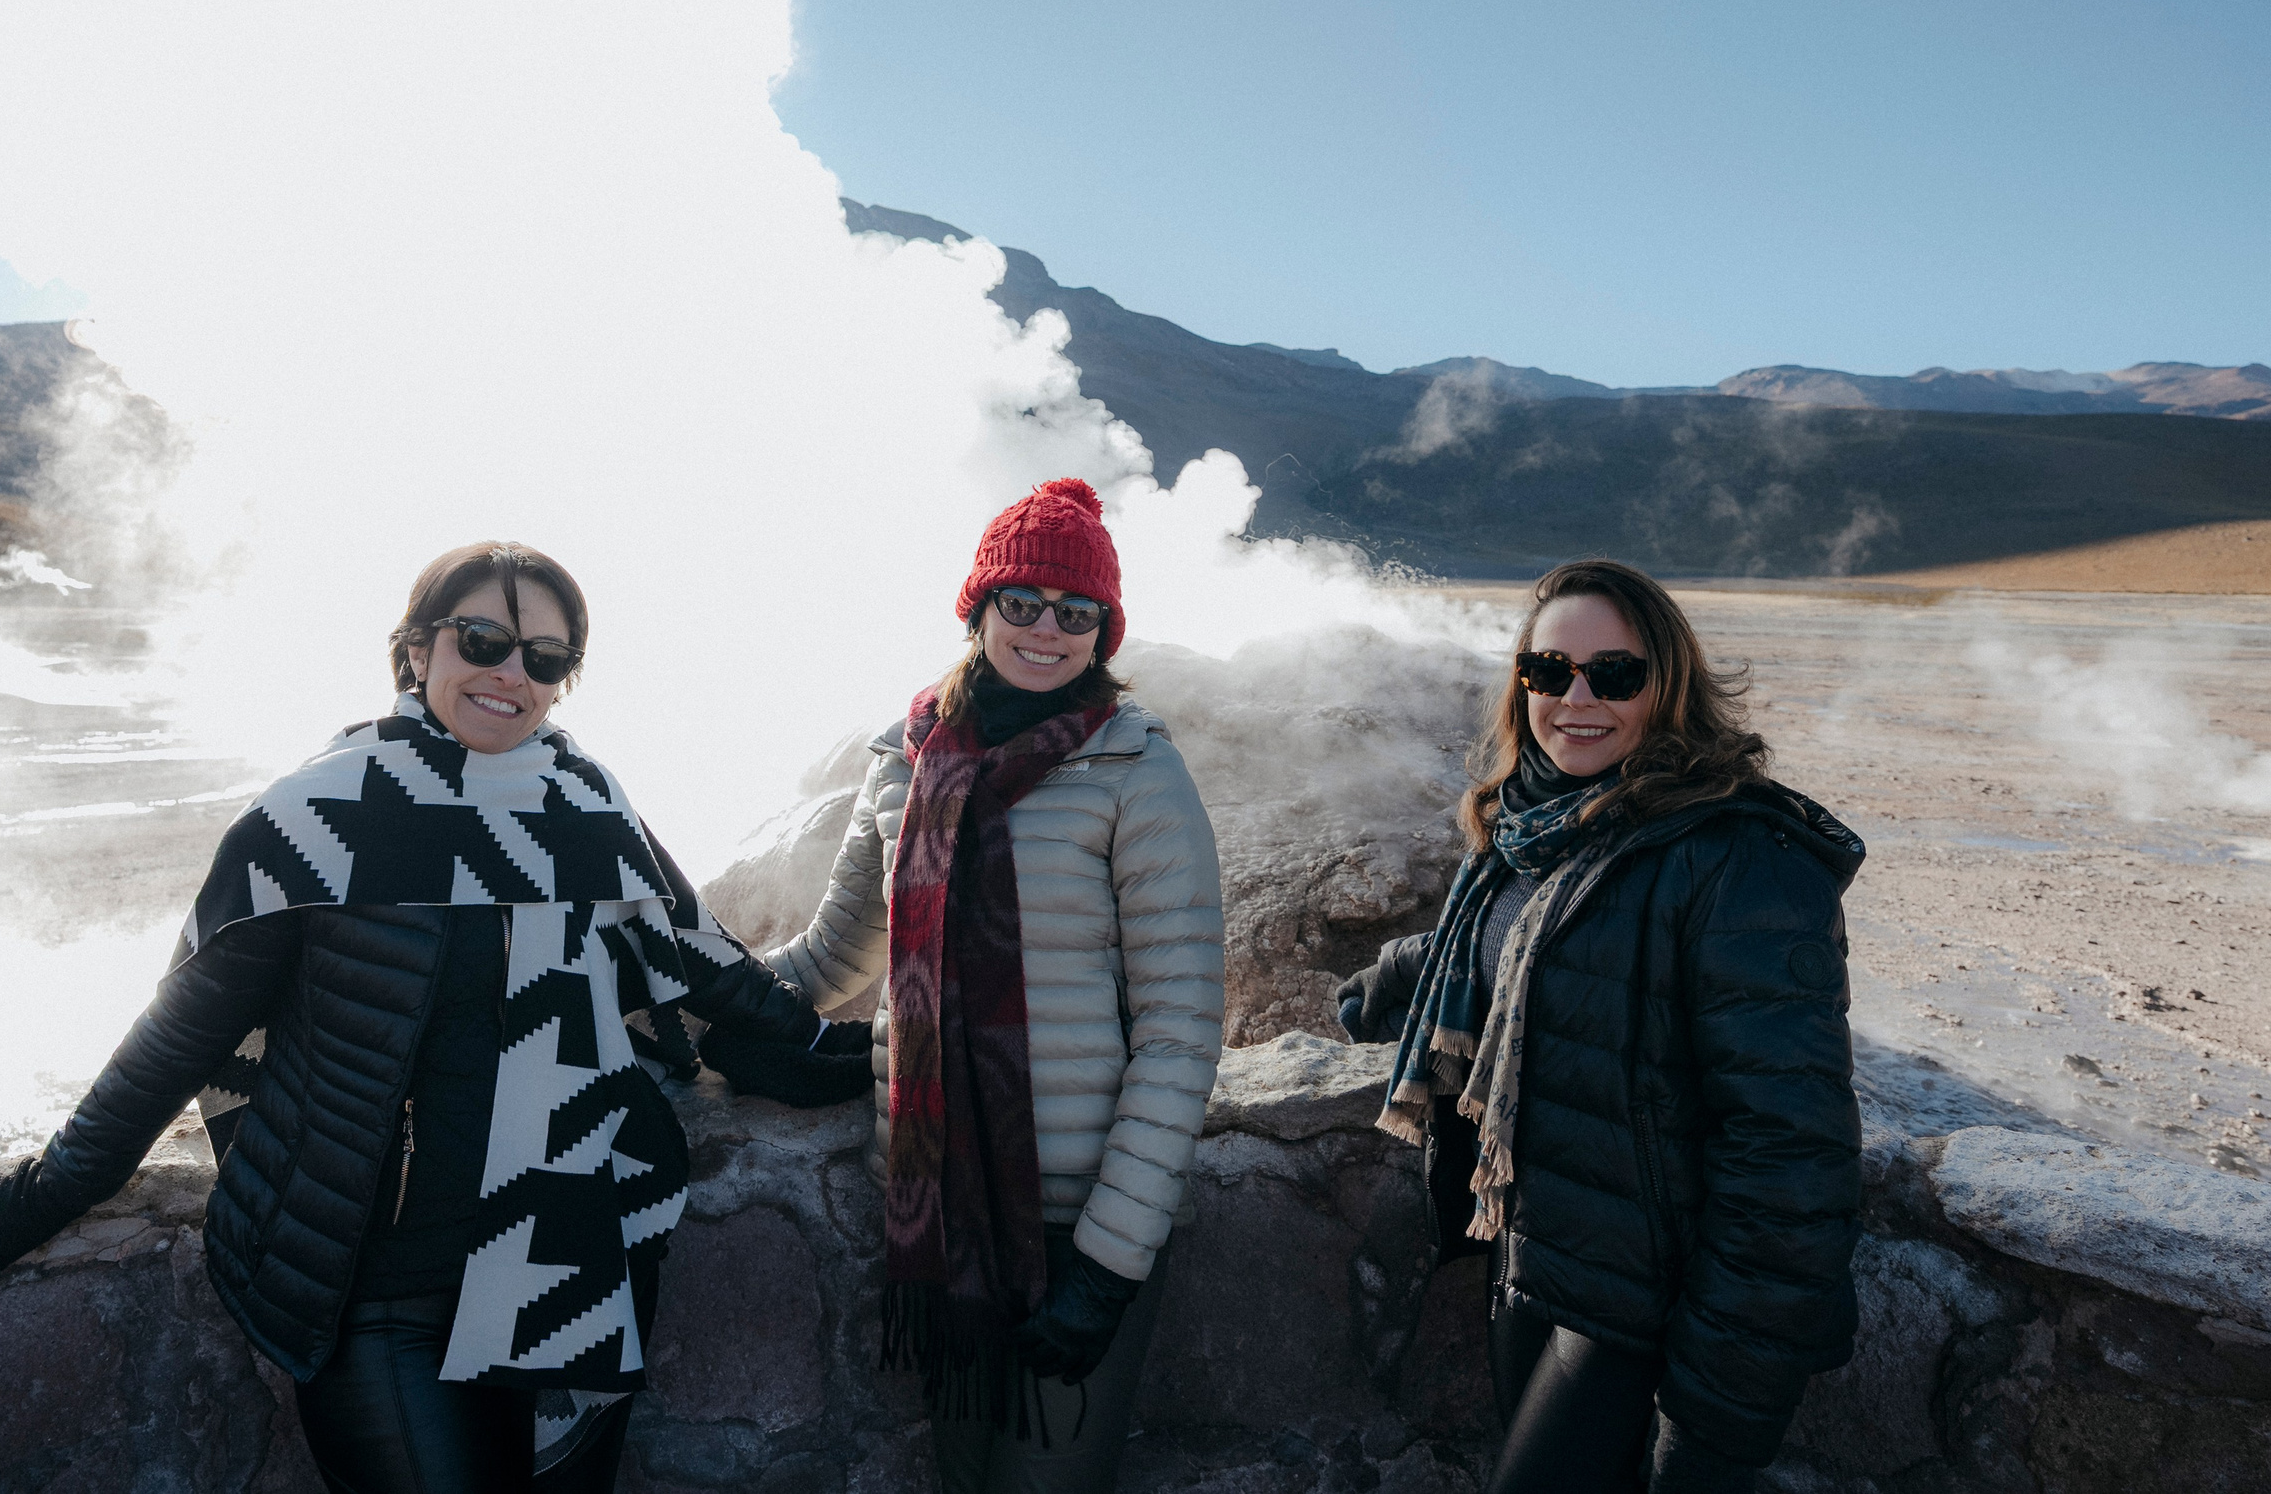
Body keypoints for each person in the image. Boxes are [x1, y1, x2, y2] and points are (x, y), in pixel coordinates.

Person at [0, 541, 868, 1494]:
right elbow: (181, 1034)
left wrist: (838, 1046)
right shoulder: (321, 816)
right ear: (418, 649)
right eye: (485, 638)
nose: (511, 673)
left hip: (567, 1262)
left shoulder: (583, 805)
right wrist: (48, 1189)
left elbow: (707, 962)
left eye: (545, 657)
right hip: (378, 1290)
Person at [1336, 558, 1862, 1494]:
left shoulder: (1737, 859)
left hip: (1645, 1316)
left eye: (1613, 674)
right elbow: (1542, 955)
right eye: (1549, 672)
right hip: (1539, 1259)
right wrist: (1411, 971)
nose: (1577, 698)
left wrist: (1715, 1420)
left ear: (1669, 686)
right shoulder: (1535, 829)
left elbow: (1790, 1157)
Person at [765, 478, 1225, 1494]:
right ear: (977, 608)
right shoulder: (906, 759)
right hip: (945, 1223)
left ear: (1105, 631)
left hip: (1079, 1225)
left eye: (1078, 613)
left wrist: (1106, 1267)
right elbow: (832, 959)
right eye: (1021, 602)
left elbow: (1182, 1029)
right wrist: (677, 987)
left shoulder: (1134, 768)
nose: (1047, 630)